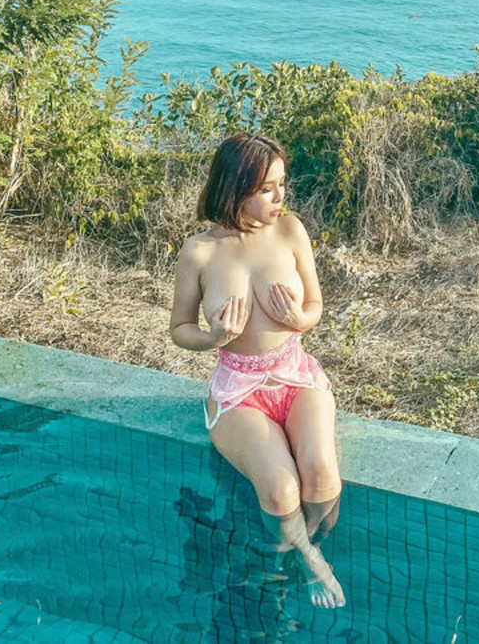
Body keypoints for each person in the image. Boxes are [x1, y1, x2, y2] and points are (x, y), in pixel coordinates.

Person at [169, 132, 345, 609]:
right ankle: (311, 563)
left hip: (296, 375)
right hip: (238, 389)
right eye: (266, 188)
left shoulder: (290, 231)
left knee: (321, 475)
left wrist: (298, 318)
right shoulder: (200, 251)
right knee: (281, 489)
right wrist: (212, 338)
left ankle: (298, 548)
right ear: (234, 189)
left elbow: (315, 306)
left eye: (282, 184)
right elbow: (180, 329)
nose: (279, 196)